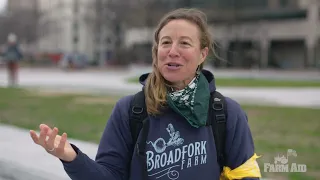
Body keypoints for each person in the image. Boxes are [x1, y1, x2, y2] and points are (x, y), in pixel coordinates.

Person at [30, 8, 261, 180]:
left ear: (202, 54)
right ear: (156, 50)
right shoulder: (130, 110)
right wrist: (71, 157)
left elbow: (246, 176)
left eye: (184, 43)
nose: (172, 51)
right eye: (166, 42)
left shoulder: (226, 113)